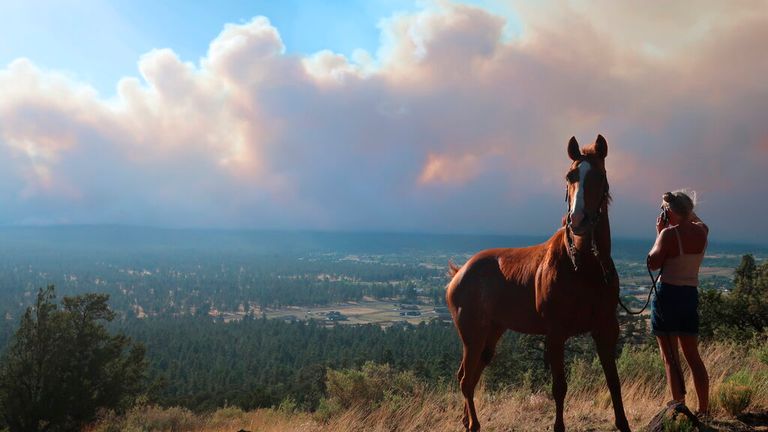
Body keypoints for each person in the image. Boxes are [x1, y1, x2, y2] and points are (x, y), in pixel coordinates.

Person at [647, 190, 710, 415]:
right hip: (689, 295)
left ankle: (679, 407)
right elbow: (697, 220)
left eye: (664, 210)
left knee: (670, 357)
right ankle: (704, 409)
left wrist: (659, 232)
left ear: (669, 212)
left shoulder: (668, 235)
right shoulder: (703, 231)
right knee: (693, 356)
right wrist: (683, 213)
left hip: (668, 295)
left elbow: (652, 262)